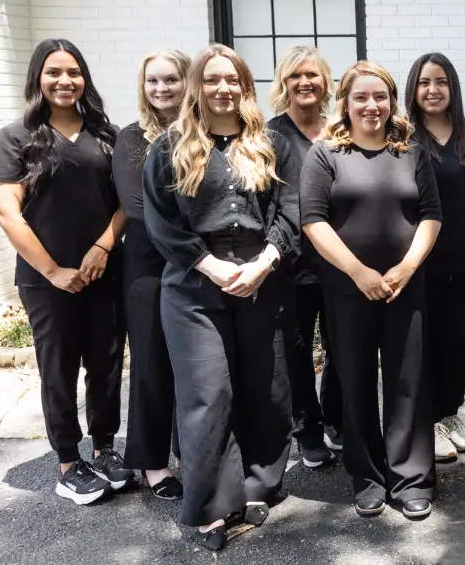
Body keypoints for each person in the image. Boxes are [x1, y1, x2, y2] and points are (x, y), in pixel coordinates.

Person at [143, 44, 297, 550]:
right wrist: (209, 265)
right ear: (197, 87)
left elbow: (290, 211)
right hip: (192, 282)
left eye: (232, 79)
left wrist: (263, 264)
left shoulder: (271, 142)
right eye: (211, 80)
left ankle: (259, 484)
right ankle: (210, 506)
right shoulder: (171, 147)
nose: (222, 88)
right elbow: (159, 221)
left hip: (260, 274)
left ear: (245, 86)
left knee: (266, 386)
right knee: (208, 394)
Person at [0, 39, 130, 505]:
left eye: (73, 72)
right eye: (54, 72)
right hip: (47, 280)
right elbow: (9, 212)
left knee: (107, 366)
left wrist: (102, 247)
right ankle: (69, 462)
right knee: (59, 366)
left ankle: (106, 449)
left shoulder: (106, 134)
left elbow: (126, 203)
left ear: (84, 77)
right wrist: (52, 271)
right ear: (38, 78)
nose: (64, 81)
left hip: (104, 271)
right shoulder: (19, 136)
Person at [301, 61, 440, 520]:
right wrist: (358, 272)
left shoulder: (411, 153)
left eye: (379, 96)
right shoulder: (325, 155)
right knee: (355, 380)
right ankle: (367, 477)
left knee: (408, 382)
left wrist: (407, 266)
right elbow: (313, 220)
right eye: (360, 97)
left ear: (392, 103)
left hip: (406, 284)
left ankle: (412, 477)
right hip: (347, 288)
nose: (371, 105)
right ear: (345, 103)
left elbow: (430, 215)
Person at [111, 49, 189, 501]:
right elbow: (136, 209)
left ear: (187, 82)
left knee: (195, 367)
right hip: (149, 269)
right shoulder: (131, 138)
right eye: (153, 81)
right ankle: (153, 464)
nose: (161, 89)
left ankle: (191, 452)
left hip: (198, 267)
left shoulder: (200, 134)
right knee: (152, 364)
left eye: (171, 80)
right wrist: (197, 241)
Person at [406, 52, 465, 463]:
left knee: (460, 340)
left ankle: (450, 413)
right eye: (424, 83)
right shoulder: (401, 137)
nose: (433, 90)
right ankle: (428, 420)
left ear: (453, 88)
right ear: (413, 90)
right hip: (421, 260)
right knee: (426, 342)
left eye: (441, 82)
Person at [266, 46, 344, 467]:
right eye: (295, 76)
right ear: (284, 83)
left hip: (339, 264)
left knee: (342, 349)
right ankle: (307, 431)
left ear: (326, 82)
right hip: (290, 267)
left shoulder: (340, 132)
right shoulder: (269, 136)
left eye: (313, 75)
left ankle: (337, 421)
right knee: (296, 355)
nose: (305, 83)